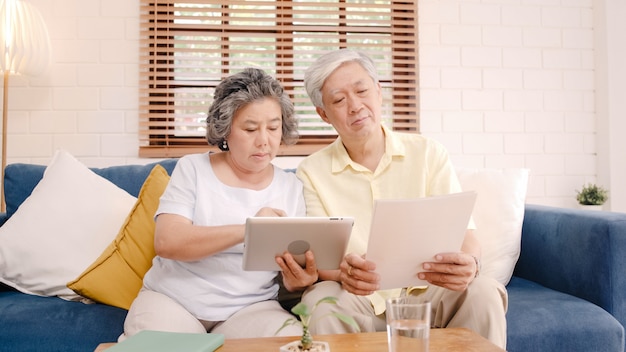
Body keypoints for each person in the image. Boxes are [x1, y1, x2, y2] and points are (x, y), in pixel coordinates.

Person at [286, 49, 508, 348]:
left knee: (482, 290)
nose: (355, 106)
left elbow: (466, 236)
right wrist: (344, 273)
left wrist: (471, 263)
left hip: (431, 290)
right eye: (339, 100)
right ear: (323, 114)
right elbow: (321, 258)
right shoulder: (311, 171)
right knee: (320, 302)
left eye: (362, 90)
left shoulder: (428, 153)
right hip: (358, 297)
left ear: (379, 92)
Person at [121, 68, 317, 340]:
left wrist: (297, 281)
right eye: (250, 129)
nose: (264, 140)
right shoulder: (193, 169)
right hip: (174, 301)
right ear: (225, 130)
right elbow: (168, 242)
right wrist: (251, 229)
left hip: (251, 309)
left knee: (294, 342)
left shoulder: (290, 187)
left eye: (273, 127)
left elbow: (289, 275)